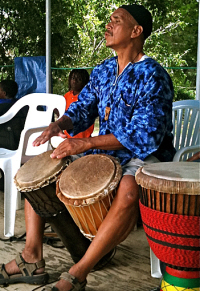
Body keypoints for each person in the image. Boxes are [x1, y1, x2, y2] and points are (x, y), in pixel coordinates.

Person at [0, 4, 176, 291]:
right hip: (104, 152)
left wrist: (87, 142)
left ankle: (78, 273)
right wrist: (61, 124)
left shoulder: (153, 76)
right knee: (39, 171)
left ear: (136, 31)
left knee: (129, 190)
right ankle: (31, 257)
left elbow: (145, 136)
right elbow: (83, 108)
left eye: (116, 21)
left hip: (142, 155)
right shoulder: (104, 69)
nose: (108, 26)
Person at [0, 80, 28, 190]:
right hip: (23, 145)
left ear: (4, 93)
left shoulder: (2, 107)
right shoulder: (23, 106)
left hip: (6, 145)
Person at [63, 69, 94, 138]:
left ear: (84, 82)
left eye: (79, 79)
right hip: (68, 138)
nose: (74, 81)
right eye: (73, 78)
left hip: (84, 139)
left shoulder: (87, 97)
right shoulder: (67, 96)